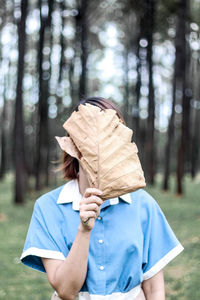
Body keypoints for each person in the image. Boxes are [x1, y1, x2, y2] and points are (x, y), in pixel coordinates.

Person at [21, 97, 184, 300]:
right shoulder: (47, 208)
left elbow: (154, 289)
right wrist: (84, 230)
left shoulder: (144, 205)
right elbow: (66, 291)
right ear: (74, 144)